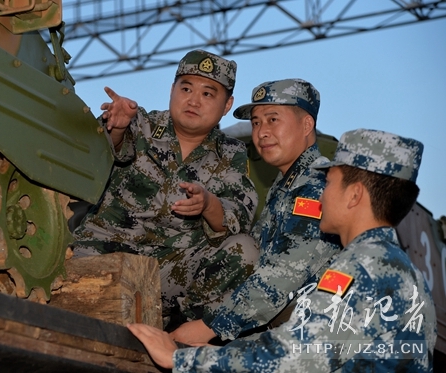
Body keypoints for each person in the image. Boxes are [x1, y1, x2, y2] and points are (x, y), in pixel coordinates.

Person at [128, 128, 437, 372]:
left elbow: (298, 357)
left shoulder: (362, 267)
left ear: (354, 195)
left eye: (328, 182)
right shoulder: (399, 269)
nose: (322, 194)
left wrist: (181, 360)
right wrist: (221, 354)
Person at [71, 49, 259, 326]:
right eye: (186, 88)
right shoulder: (141, 124)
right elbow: (105, 151)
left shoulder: (230, 153)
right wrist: (118, 127)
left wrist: (208, 204)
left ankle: (181, 329)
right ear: (172, 90)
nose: (194, 100)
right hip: (105, 252)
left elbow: (237, 213)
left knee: (245, 249)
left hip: (167, 272)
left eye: (208, 94)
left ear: (227, 105)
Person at [169, 78, 342, 344]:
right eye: (256, 122)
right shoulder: (286, 185)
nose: (261, 132)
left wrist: (208, 328)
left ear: (307, 125)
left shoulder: (317, 186)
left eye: (273, 120)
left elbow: (284, 275)